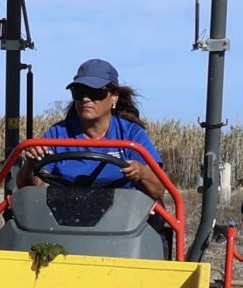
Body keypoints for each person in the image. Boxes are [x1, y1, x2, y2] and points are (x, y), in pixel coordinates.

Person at [20, 58, 164, 199]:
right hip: (64, 214)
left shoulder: (131, 134)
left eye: (96, 92)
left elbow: (158, 191)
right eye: (79, 92)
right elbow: (28, 189)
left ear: (114, 96)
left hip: (121, 218)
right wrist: (31, 163)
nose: (86, 99)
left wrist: (142, 173)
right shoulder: (57, 134)